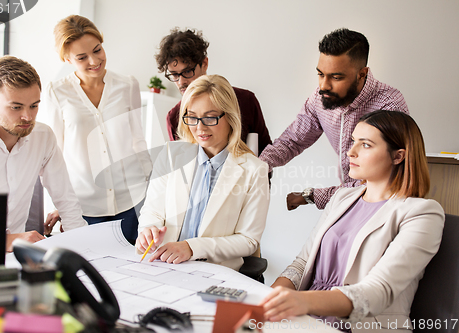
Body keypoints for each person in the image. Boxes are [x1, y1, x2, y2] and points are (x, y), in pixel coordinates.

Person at [260, 110, 444, 332]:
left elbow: (377, 291)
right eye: (353, 142)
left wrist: (302, 301)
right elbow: (301, 264)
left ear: (398, 156)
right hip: (308, 318)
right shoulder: (342, 198)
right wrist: (268, 299)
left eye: (365, 145)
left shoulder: (422, 213)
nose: (350, 152)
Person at [259, 28, 409, 211]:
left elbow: (380, 180)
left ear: (362, 74)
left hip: (383, 208)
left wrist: (310, 196)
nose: (323, 85)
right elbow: (292, 141)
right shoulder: (320, 98)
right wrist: (258, 166)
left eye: (336, 77)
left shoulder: (389, 105)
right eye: (320, 74)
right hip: (345, 203)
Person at [136, 75, 269, 270]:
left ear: (230, 116)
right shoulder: (170, 154)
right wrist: (148, 230)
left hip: (216, 271)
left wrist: (191, 248)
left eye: (209, 117)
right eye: (192, 117)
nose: (199, 127)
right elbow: (152, 211)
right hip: (164, 265)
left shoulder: (254, 170)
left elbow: (248, 240)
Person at [0, 56, 87, 252]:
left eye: (34, 105)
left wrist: (84, 248)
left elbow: (66, 200)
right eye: (16, 107)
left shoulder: (43, 137)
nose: (28, 117)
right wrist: (8, 240)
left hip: (15, 260)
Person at [44, 15, 152, 244]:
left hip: (131, 200)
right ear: (66, 58)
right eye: (82, 57)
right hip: (85, 206)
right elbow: (56, 155)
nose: (94, 61)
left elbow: (137, 140)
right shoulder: (57, 92)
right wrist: (60, 205)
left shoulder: (127, 84)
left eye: (98, 50)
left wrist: (151, 192)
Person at [156, 28, 272, 155]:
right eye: (174, 75)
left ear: (204, 64)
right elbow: (181, 166)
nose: (181, 81)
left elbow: (266, 156)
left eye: (188, 71)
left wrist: (252, 172)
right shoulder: (174, 117)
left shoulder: (245, 100)